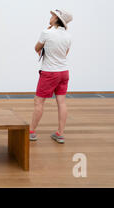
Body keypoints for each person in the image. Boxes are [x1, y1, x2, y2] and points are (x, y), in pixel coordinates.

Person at [30, 9, 73, 144]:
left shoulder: (47, 33)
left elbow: (36, 48)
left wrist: (43, 49)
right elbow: (64, 54)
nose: (51, 16)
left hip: (49, 73)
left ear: (57, 19)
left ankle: (31, 131)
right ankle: (60, 134)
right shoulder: (68, 36)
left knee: (39, 102)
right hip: (64, 72)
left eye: (53, 15)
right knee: (61, 102)